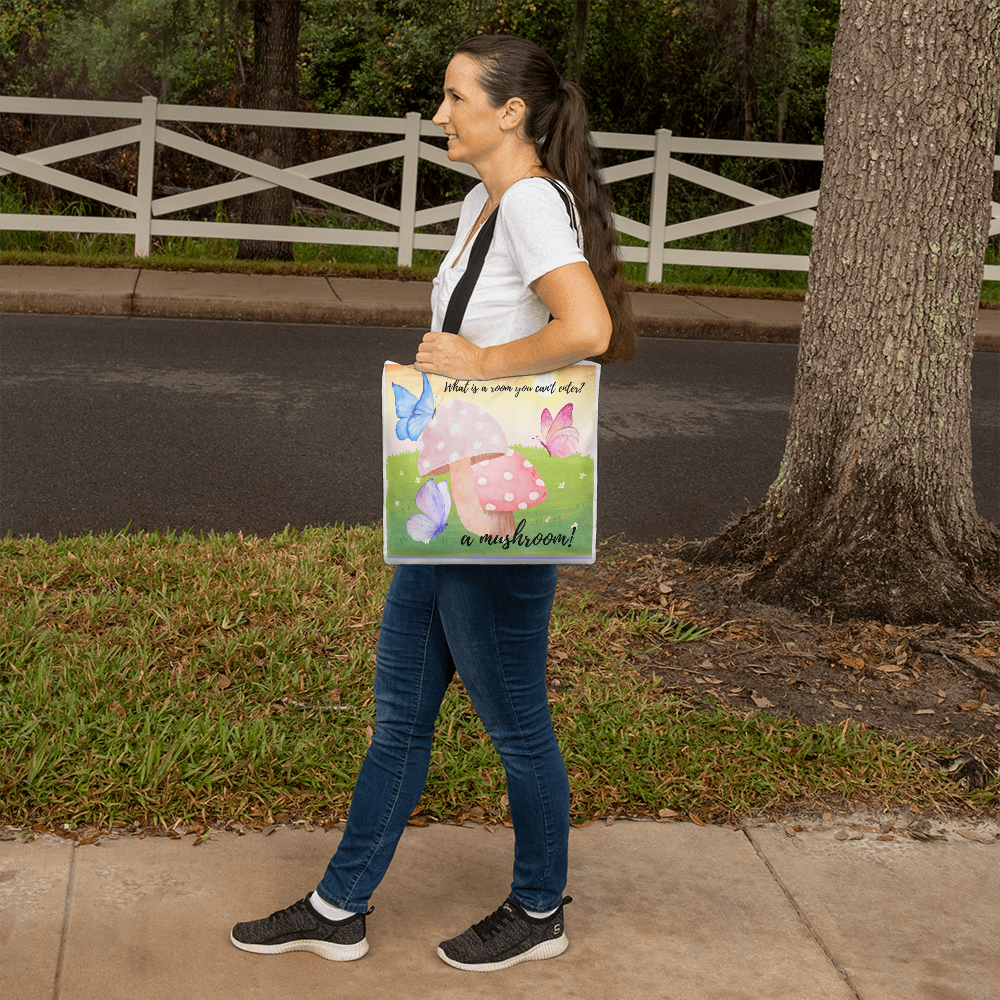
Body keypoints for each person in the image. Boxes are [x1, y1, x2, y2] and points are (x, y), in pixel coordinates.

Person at [230, 33, 637, 974]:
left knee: (518, 725)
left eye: (455, 98)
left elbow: (589, 328)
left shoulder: (532, 202)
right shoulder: (480, 203)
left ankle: (539, 910)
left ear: (511, 114)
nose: (439, 114)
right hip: (451, 500)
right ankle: (339, 907)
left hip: (494, 515)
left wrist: (485, 362)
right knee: (402, 717)